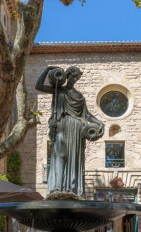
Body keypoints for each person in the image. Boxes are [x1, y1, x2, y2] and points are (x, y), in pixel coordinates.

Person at [36, 65, 104, 199]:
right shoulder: (58, 90)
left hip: (77, 129)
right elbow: (38, 86)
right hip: (62, 125)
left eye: (77, 77)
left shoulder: (79, 96)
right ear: (67, 76)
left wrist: (99, 122)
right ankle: (57, 188)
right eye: (73, 76)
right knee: (60, 156)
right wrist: (47, 69)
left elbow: (87, 115)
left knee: (74, 158)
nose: (75, 79)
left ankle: (73, 188)